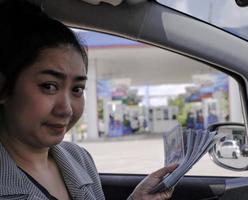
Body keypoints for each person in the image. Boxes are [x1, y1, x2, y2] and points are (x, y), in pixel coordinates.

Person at [0, 1, 176, 199]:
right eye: (49, 86)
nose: (66, 109)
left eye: (77, 89)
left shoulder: (78, 158)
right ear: (3, 88)